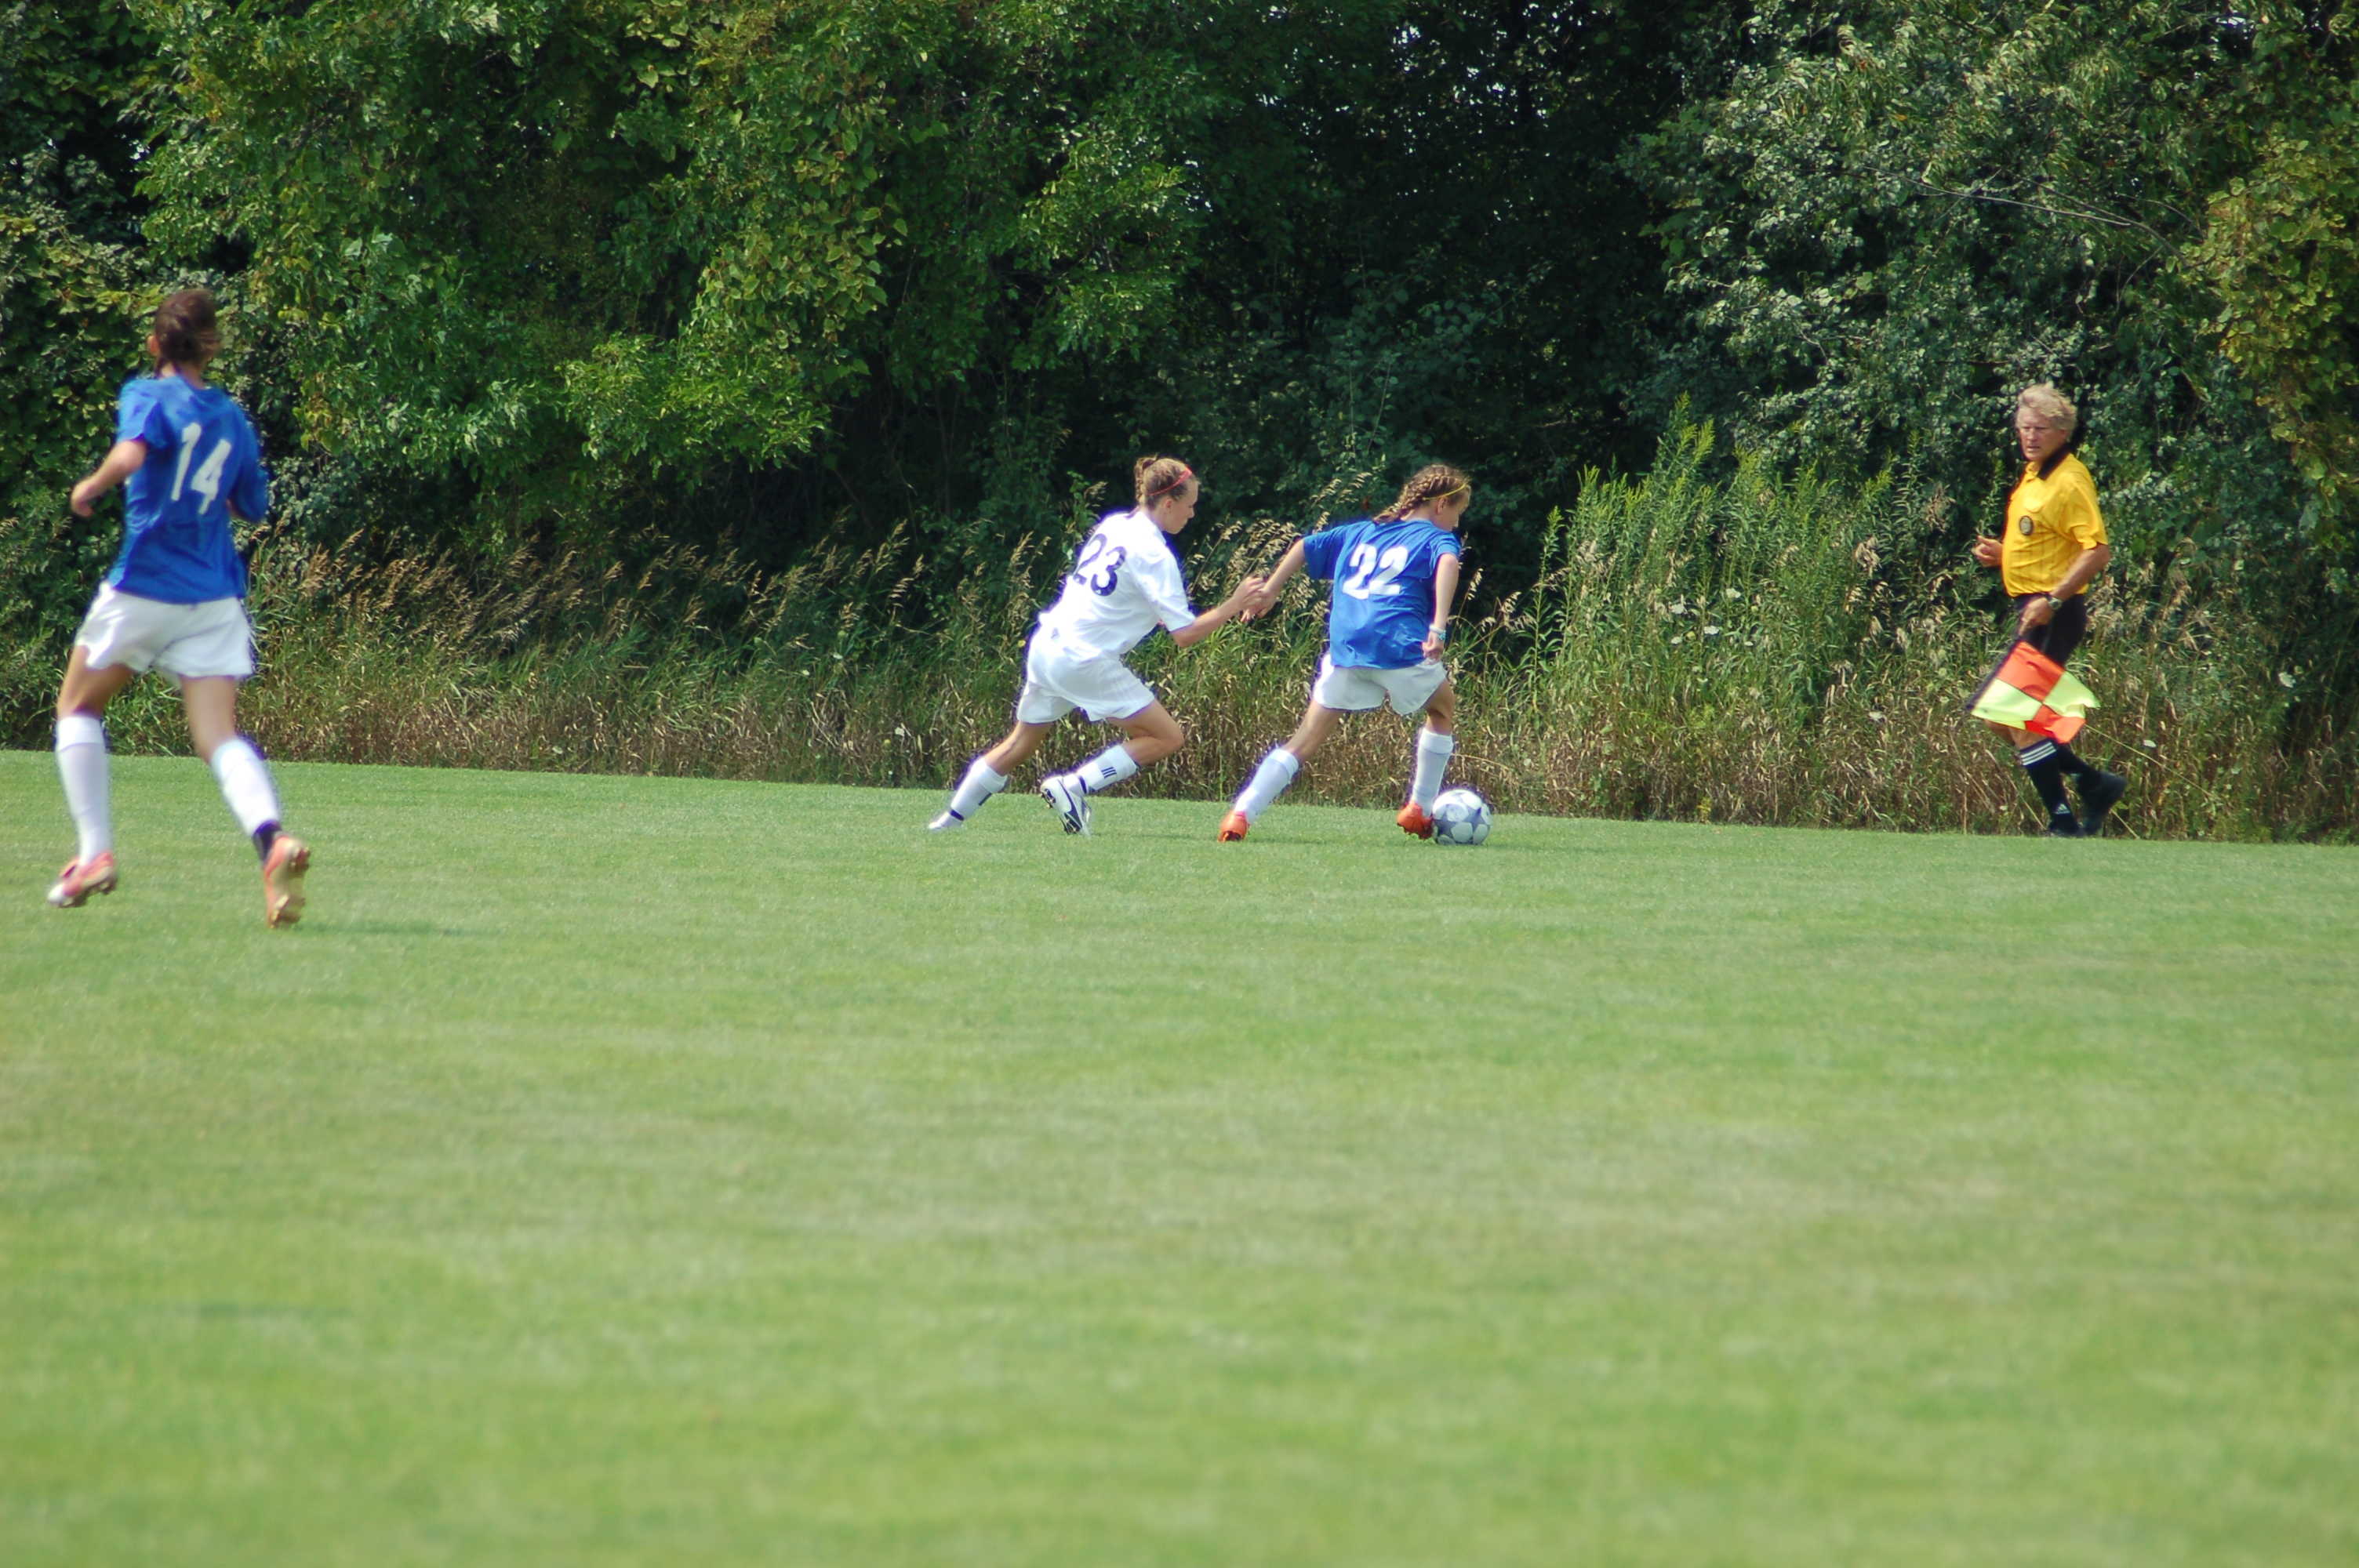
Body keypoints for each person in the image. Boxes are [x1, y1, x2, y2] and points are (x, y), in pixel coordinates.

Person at [46, 289, 311, 924]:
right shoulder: (233, 419)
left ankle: (94, 853)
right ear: (210, 347)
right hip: (214, 595)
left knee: (77, 706)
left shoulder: (147, 394)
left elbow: (133, 451)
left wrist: (93, 484)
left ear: (155, 344)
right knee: (218, 736)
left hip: (146, 584)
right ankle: (272, 840)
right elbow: (251, 505)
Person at [929, 456, 1263, 835]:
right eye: (1190, 505)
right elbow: (1184, 636)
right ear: (1168, 503)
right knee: (1167, 736)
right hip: (1083, 658)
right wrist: (1234, 603)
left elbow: (1116, 594)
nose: (1192, 513)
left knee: (1018, 744)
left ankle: (948, 822)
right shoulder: (1155, 553)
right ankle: (1073, 787)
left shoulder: (1115, 524)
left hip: (1047, 645)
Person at [1218, 463, 1469, 841]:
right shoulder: (1434, 538)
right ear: (1441, 505)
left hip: (1347, 648)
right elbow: (1449, 562)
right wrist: (1437, 628)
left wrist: (1271, 589)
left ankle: (1241, 813)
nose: (1456, 523)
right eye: (1458, 513)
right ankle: (1419, 808)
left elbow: (1304, 546)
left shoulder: (1362, 531)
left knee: (1303, 740)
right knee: (1443, 708)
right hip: (1397, 643)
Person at [1970, 383, 2128, 837]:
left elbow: (2097, 550)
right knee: (1998, 716)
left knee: (2014, 715)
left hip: (2054, 612)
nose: (2030, 436)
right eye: (2024, 428)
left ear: (2062, 432)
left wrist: (2053, 599)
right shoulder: (2034, 473)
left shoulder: (2070, 480)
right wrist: (2005, 555)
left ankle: (2063, 821)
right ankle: (2092, 783)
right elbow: (2045, 542)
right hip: (2032, 608)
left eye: (2039, 429)